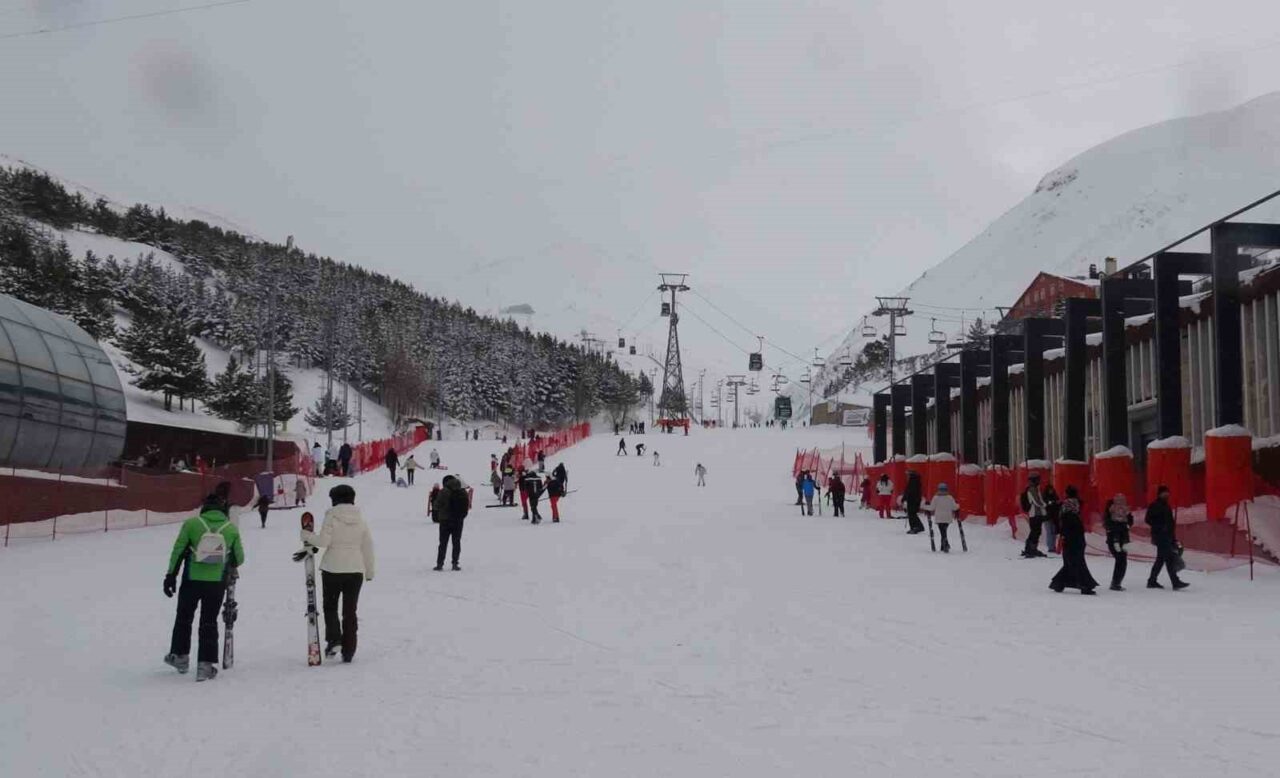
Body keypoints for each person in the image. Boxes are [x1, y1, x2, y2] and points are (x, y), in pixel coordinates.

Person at [163, 483, 244, 681]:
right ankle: (205, 665)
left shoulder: (191, 524)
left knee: (184, 617)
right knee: (209, 621)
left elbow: (178, 551)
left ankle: (180, 656)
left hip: (191, 579)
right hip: (216, 583)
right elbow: (239, 559)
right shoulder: (230, 529)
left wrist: (171, 576)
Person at [300, 484, 375, 662]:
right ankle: (349, 650)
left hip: (332, 569)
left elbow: (323, 542)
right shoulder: (361, 520)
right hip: (355, 571)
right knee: (350, 611)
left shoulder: (332, 517)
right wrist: (369, 571)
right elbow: (368, 547)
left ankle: (334, 640)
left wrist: (306, 535)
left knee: (330, 606)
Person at [1049, 486, 1097, 595]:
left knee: (1071, 562)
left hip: (1070, 540)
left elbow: (1062, 523)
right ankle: (1083, 585)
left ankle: (1059, 583)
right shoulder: (1075, 508)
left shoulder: (1066, 508)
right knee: (1075, 562)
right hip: (1076, 539)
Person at [1145, 485, 1188, 590]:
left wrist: (1173, 538)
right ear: (1159, 494)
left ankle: (1152, 581)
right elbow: (1148, 519)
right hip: (1160, 536)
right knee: (1168, 558)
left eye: (1167, 492)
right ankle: (1175, 581)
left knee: (1160, 559)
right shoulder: (1155, 505)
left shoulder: (1167, 506)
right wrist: (1159, 526)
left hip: (1167, 536)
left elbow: (1170, 523)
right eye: (1164, 492)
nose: (1166, 494)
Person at [433, 475, 470, 570]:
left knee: (443, 543)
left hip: (445, 521)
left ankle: (440, 564)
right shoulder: (462, 491)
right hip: (458, 521)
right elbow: (466, 506)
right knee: (456, 542)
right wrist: (461, 517)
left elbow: (436, 505)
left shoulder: (443, 491)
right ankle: (455, 563)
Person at [1103, 493, 1134, 591]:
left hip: (1120, 539)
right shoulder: (1111, 512)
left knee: (1121, 560)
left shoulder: (1124, 511)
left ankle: (1116, 582)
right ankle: (1116, 582)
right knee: (1121, 560)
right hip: (1117, 538)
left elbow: (1130, 521)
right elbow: (1108, 524)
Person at [925, 482, 958, 552]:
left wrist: (925, 506)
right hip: (947, 518)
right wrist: (958, 505)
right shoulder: (950, 498)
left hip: (939, 518)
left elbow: (931, 508)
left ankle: (945, 544)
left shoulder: (936, 498)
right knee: (944, 531)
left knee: (942, 531)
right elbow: (954, 507)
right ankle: (943, 546)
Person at [1020, 474, 1048, 558]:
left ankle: (1032, 548)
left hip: (1037, 514)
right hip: (1035, 514)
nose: (1039, 481)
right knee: (1035, 532)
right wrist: (1046, 504)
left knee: (1036, 532)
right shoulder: (1032, 489)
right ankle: (1030, 549)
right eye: (1038, 480)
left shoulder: (1035, 489)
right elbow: (1037, 501)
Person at [1042, 483, 1062, 555]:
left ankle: (1052, 546)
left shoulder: (1055, 497)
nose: (1051, 491)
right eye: (1050, 490)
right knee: (1049, 532)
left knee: (1053, 532)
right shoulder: (1044, 498)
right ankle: (1051, 547)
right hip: (1047, 517)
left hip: (1054, 517)